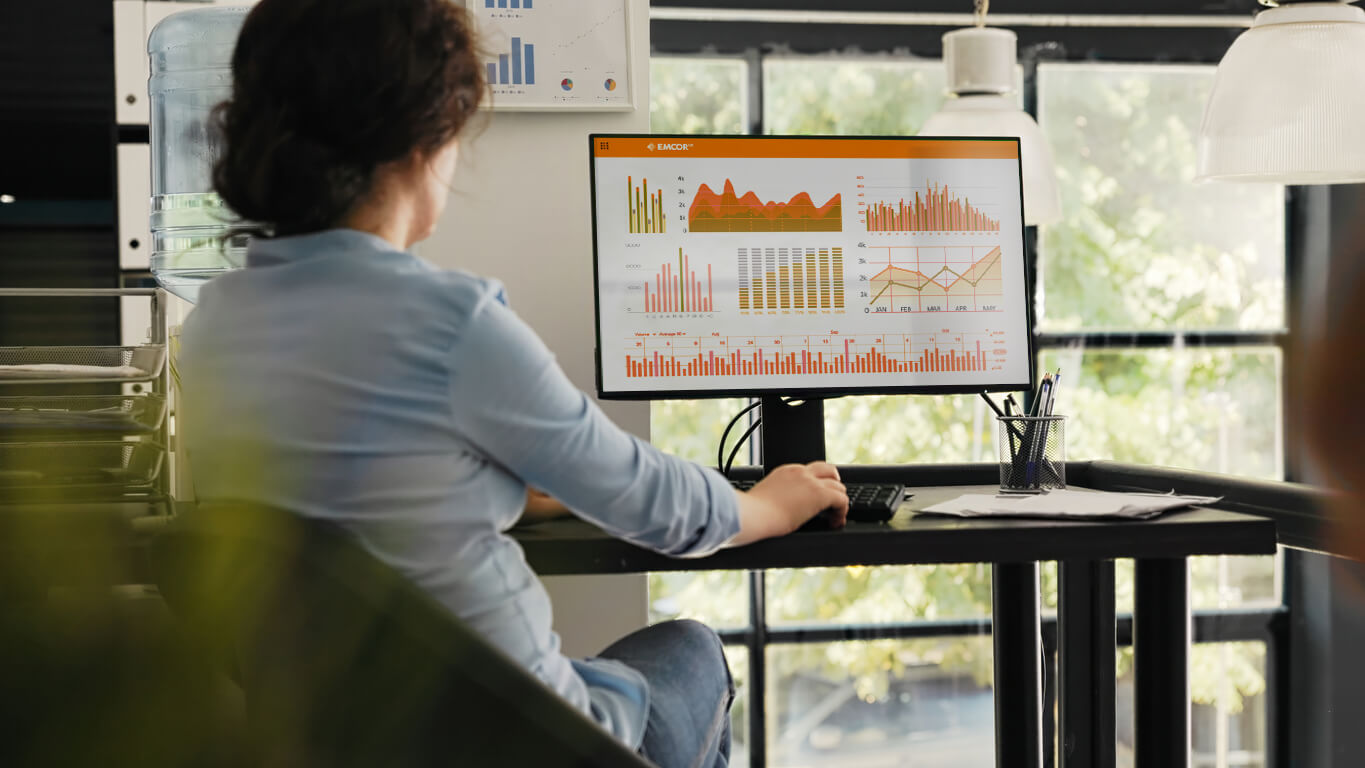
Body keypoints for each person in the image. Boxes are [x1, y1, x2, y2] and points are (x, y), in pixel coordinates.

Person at [175, 1, 849, 766]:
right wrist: (768, 501)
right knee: (691, 648)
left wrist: (491, 486)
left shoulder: (212, 329)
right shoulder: (449, 322)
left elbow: (337, 506)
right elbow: (654, 506)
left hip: (345, 737)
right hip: (520, 741)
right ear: (420, 136)